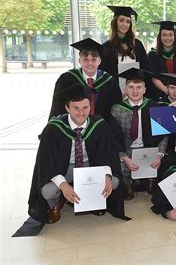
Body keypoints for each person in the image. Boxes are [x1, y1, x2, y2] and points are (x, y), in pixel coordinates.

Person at [21, 85, 128, 236]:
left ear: (90, 107)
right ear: (67, 108)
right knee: (48, 191)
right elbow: (47, 163)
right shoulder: (53, 128)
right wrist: (64, 185)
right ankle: (57, 203)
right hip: (64, 168)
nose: (81, 113)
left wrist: (106, 175)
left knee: (114, 182)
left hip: (89, 165)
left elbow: (107, 154)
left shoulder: (99, 125)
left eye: (85, 107)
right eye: (76, 108)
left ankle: (93, 200)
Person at [110, 68, 167, 199]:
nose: (135, 91)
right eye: (131, 87)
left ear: (145, 90)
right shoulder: (116, 109)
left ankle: (150, 179)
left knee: (166, 163)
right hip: (127, 149)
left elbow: (164, 135)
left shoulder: (154, 107)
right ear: (125, 89)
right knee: (117, 164)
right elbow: (114, 138)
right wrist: (124, 157)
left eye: (139, 87)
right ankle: (128, 183)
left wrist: (159, 154)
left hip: (149, 147)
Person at [49, 38, 122, 120]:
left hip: (101, 128)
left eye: (94, 59)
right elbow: (57, 108)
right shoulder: (66, 79)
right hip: (72, 129)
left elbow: (115, 111)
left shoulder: (109, 81)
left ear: (100, 61)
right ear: (79, 60)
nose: (90, 63)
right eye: (85, 59)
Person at [147, 21, 176, 101]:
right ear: (159, 37)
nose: (167, 38)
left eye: (170, 35)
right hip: (160, 96)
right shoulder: (153, 55)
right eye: (164, 35)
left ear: (175, 36)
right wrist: (167, 90)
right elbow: (153, 77)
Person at [100, 6, 148, 76]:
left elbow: (145, 68)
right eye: (121, 20)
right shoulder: (106, 47)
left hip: (135, 85)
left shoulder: (137, 44)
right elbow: (104, 72)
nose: (125, 24)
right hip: (114, 86)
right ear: (115, 22)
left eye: (128, 21)